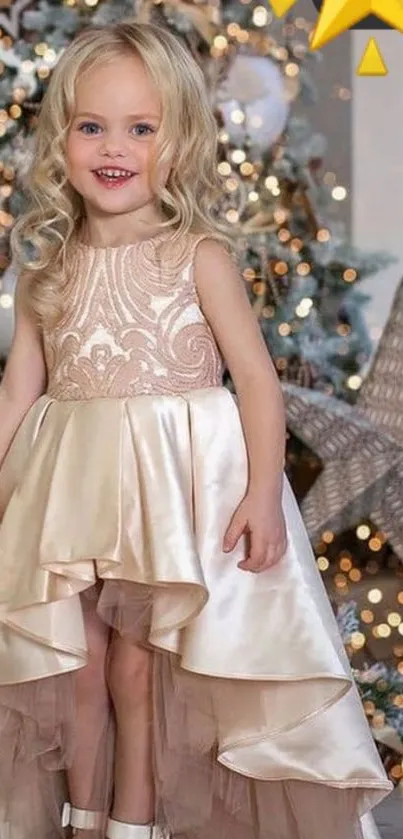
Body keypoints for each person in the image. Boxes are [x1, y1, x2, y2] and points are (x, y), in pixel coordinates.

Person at [0, 18, 391, 839]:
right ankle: (81, 813)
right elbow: (16, 398)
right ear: (61, 138)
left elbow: (254, 380)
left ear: (176, 144)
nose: (115, 146)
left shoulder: (196, 256)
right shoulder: (46, 269)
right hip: (69, 497)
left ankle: (135, 820)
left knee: (141, 665)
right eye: (92, 126)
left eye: (141, 128)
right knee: (80, 661)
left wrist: (257, 493)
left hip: (171, 498)